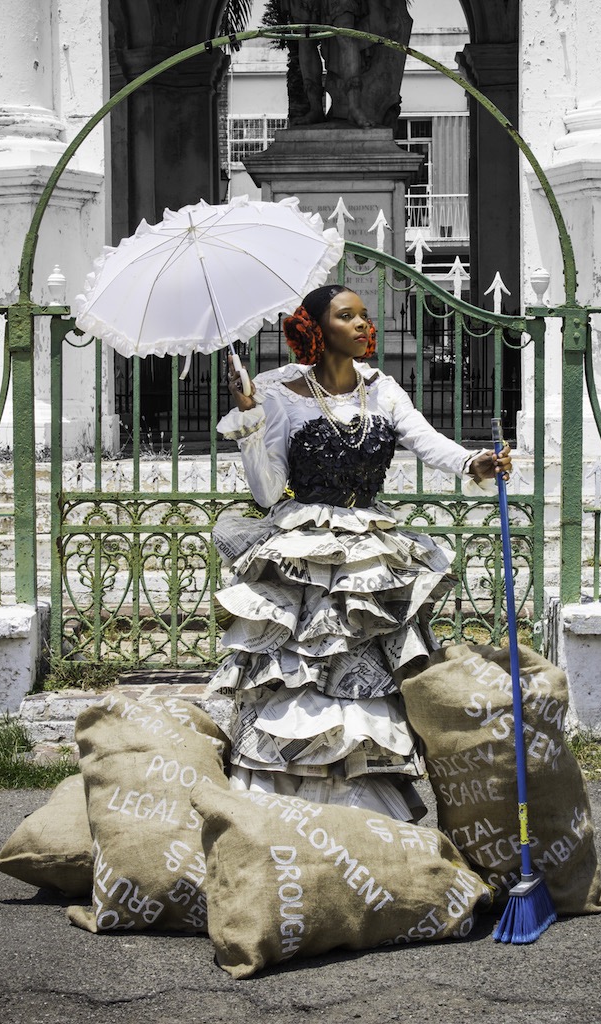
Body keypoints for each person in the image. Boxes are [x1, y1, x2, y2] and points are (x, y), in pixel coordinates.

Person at [208, 284, 512, 822]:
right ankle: (283, 813)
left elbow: (426, 441)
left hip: (370, 553)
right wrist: (249, 416)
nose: (363, 326)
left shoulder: (382, 387)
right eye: (347, 317)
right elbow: (265, 489)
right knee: (300, 672)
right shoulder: (277, 392)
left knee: (367, 675)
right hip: (304, 549)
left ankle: (364, 817)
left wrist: (475, 463)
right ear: (316, 330)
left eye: (364, 317)